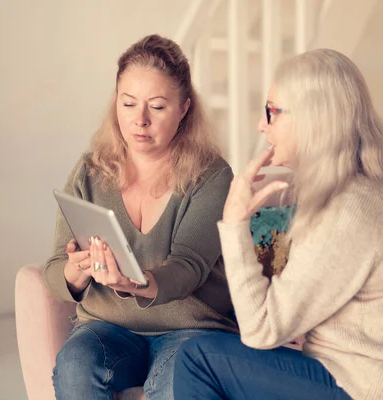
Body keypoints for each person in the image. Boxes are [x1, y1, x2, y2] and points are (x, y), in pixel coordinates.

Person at [173, 48, 383, 400]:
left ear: (313, 119)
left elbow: (261, 330)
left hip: (374, 387)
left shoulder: (351, 210)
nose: (261, 125)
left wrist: (234, 222)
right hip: (372, 371)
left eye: (272, 112)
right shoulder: (367, 188)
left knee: (196, 358)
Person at [43, 34, 238, 400]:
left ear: (184, 108)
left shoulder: (212, 176)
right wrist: (78, 269)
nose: (140, 121)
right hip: (108, 328)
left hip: (192, 329)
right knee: (75, 365)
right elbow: (55, 272)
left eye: (158, 107)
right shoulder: (90, 171)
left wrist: (133, 282)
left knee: (175, 384)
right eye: (128, 103)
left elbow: (187, 268)